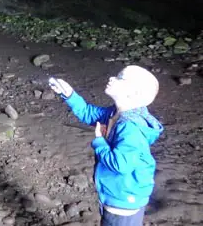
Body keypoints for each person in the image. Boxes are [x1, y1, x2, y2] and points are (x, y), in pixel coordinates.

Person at [49, 65, 164, 226]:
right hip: (116, 191)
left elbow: (120, 164)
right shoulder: (116, 113)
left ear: (134, 93)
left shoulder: (130, 128)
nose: (112, 78)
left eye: (120, 78)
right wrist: (70, 95)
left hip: (124, 199)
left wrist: (99, 141)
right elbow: (88, 113)